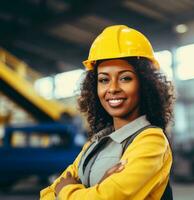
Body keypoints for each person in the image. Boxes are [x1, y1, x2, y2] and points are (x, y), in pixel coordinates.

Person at [40, 25, 174, 200]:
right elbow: (46, 194)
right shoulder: (95, 144)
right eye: (103, 80)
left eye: (125, 78)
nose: (112, 88)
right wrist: (97, 190)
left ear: (145, 84)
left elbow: (105, 197)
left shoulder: (151, 141)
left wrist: (66, 191)